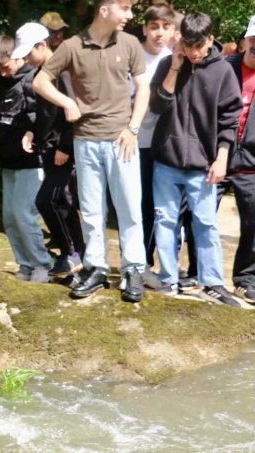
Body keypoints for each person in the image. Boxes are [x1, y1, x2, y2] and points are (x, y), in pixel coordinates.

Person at [33, 0, 150, 303]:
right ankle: (96, 268)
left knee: (129, 208)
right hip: (85, 140)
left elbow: (143, 88)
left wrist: (133, 128)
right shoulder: (72, 46)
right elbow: (40, 81)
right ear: (105, 9)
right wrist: (68, 102)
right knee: (92, 209)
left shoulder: (129, 43)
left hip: (121, 140)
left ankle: (133, 269)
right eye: (125, 8)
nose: (130, 15)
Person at [148, 12, 243, 306]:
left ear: (210, 40)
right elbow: (156, 105)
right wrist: (175, 67)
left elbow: (230, 120)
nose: (193, 52)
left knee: (205, 223)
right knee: (164, 220)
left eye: (198, 45)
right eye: (187, 45)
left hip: (203, 164)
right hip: (166, 160)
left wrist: (222, 157)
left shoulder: (223, 72)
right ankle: (167, 278)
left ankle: (212, 283)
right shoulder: (168, 64)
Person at [0, 35, 54, 283]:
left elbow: (43, 117)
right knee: (9, 217)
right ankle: (25, 264)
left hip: (31, 162)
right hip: (8, 161)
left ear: (19, 56)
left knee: (24, 213)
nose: (3, 71)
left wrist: (32, 132)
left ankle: (43, 264)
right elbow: (0, 115)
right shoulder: (3, 82)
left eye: (5, 65)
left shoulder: (34, 80)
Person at [11, 22, 85, 278]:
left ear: (42, 45)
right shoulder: (40, 73)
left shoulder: (62, 72)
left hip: (63, 148)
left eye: (28, 53)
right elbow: (45, 115)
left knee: (46, 200)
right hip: (49, 147)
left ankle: (69, 252)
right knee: (63, 203)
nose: (26, 59)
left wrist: (65, 145)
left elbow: (75, 111)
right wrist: (33, 132)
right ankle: (79, 255)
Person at [135, 4, 198, 291]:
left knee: (154, 207)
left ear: (174, 31)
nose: (159, 33)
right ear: (145, 28)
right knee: (131, 205)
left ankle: (150, 264)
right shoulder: (132, 54)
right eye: (154, 27)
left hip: (159, 146)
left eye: (165, 27)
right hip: (128, 141)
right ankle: (134, 263)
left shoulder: (177, 59)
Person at [225, 15, 255, 304]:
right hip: (217, 156)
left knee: (254, 222)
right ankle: (197, 273)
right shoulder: (224, 68)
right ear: (245, 39)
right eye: (254, 38)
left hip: (252, 161)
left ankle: (245, 279)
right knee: (200, 215)